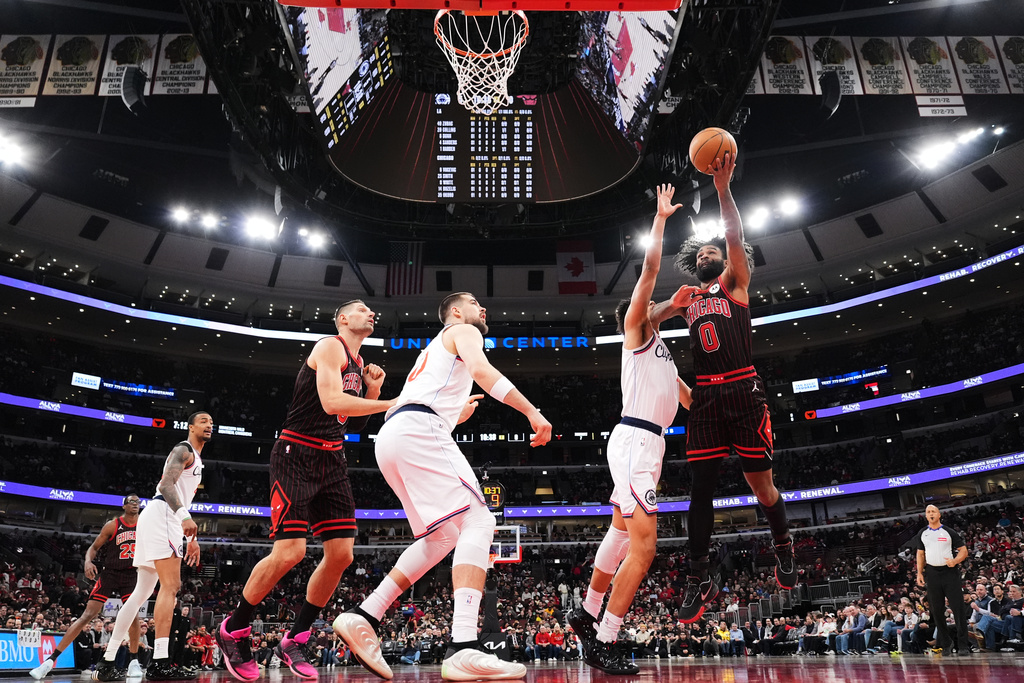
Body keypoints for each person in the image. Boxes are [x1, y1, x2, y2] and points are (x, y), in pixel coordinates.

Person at [334, 291, 552, 681]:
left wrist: (453, 415)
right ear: (455, 312)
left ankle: (365, 613)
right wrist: (532, 412)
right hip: (419, 428)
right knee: (480, 520)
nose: (482, 309)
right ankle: (464, 646)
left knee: (440, 538)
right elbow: (484, 373)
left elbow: (430, 396)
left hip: (396, 435)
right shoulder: (462, 330)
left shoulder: (434, 350)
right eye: (473, 302)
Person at [218, 300, 394, 682]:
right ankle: (235, 627)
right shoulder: (329, 346)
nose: (371, 313)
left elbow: (342, 417)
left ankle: (295, 638)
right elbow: (331, 402)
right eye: (362, 309)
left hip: (332, 458)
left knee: (342, 555)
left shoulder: (359, 365)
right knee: (291, 552)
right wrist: (390, 401)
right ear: (343, 318)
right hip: (296, 452)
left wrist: (373, 388)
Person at [659, 153, 796, 622]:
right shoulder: (689, 300)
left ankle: (784, 546)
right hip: (706, 398)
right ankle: (700, 577)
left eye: (709, 252)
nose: (704, 255)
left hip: (742, 390)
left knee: (762, 489)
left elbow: (734, 233)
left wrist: (722, 189)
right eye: (697, 255)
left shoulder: (736, 285)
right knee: (699, 492)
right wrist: (665, 308)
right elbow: (637, 321)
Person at [568, 185, 698, 675]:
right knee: (644, 550)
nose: (651, 310)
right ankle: (604, 638)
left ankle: (585, 614)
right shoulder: (636, 335)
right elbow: (648, 273)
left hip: (650, 445)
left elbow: (689, 399)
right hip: (634, 441)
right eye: (647, 311)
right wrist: (661, 219)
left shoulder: (661, 349)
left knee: (622, 532)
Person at [95, 412, 212, 681]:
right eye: (203, 421)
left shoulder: (197, 458)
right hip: (164, 515)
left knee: (140, 593)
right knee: (171, 587)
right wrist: (184, 518)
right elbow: (165, 485)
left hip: (160, 516)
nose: (209, 425)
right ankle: (160, 661)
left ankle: (106, 662)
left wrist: (192, 539)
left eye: (211, 423)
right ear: (191, 426)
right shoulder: (184, 449)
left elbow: (179, 495)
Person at [31, 496, 143, 680]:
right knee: (88, 615)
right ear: (124, 505)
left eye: (138, 501)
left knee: (133, 616)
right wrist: (88, 561)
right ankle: (49, 661)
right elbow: (94, 547)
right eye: (131, 501)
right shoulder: (113, 525)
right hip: (110, 573)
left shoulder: (145, 525)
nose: (135, 503)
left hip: (131, 574)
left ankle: (134, 661)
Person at [908, 504, 971, 656]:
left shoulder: (948, 531)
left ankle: (963, 644)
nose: (931, 513)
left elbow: (964, 551)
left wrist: (955, 561)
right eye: (928, 512)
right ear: (926, 515)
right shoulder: (922, 533)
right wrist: (919, 573)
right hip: (932, 573)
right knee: (936, 611)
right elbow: (920, 554)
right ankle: (946, 643)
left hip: (950, 572)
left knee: (958, 608)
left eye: (933, 511)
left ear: (939, 514)